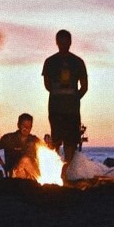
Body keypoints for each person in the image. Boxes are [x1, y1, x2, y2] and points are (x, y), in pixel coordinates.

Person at [41, 29, 87, 162]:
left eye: (65, 41)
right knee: (56, 140)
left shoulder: (78, 62)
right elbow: (47, 85)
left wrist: (74, 98)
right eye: (60, 41)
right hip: (56, 108)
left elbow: (84, 87)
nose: (63, 44)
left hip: (71, 110)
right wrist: (60, 95)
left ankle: (67, 170)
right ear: (56, 42)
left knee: (71, 141)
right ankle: (55, 169)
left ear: (70, 42)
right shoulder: (50, 61)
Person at [0, 113, 39, 177]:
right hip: (14, 174)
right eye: (24, 126)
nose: (27, 128)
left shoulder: (34, 140)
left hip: (31, 175)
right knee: (25, 160)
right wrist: (3, 165)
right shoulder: (9, 138)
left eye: (29, 126)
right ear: (18, 125)